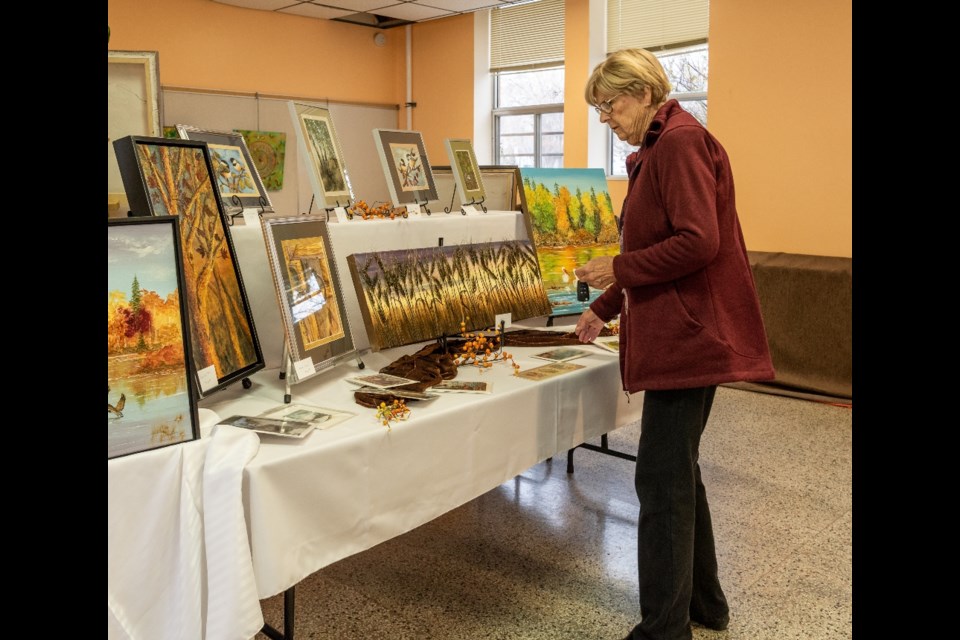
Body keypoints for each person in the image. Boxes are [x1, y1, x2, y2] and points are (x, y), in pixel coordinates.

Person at [573, 48, 775, 640]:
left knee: (661, 482)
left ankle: (664, 629)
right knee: (678, 474)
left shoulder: (681, 143)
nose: (605, 118)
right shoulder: (665, 144)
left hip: (688, 341)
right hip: (682, 335)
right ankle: (705, 607)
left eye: (609, 105)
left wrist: (613, 268)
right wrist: (602, 307)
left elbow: (695, 243)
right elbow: (654, 247)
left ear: (640, 91)